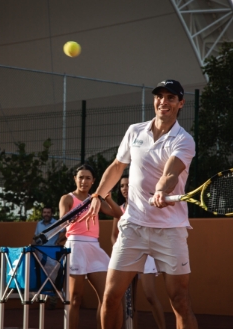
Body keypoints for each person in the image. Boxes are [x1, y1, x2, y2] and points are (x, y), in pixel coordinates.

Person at [84, 79, 198, 329]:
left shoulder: (184, 140)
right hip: (133, 226)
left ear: (181, 103)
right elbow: (117, 166)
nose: (163, 102)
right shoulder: (135, 131)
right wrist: (98, 195)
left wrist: (160, 190)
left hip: (170, 230)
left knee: (179, 301)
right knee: (111, 297)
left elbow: (171, 172)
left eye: (170, 98)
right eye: (159, 96)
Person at [59, 164, 123, 329]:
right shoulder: (67, 198)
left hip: (94, 247)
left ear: (94, 181)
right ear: (75, 179)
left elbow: (118, 214)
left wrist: (107, 198)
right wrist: (69, 219)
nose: (84, 181)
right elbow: (62, 222)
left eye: (88, 178)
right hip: (75, 246)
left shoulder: (95, 200)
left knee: (107, 296)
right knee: (75, 299)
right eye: (80, 177)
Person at [111, 175, 166, 329]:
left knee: (150, 296)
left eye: (128, 185)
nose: (125, 188)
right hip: (127, 255)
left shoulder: (146, 204)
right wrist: (120, 250)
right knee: (129, 301)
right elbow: (114, 235)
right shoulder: (120, 209)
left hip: (146, 255)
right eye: (122, 186)